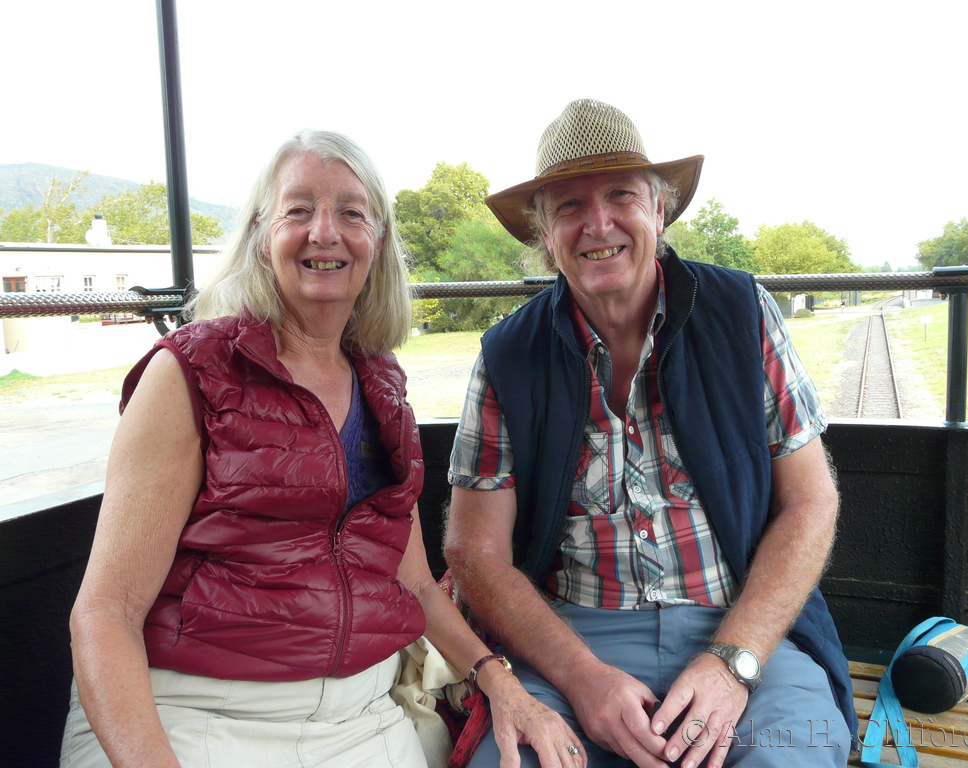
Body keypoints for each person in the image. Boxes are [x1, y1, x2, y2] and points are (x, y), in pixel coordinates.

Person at [61, 129, 581, 768]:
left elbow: (416, 584)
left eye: (352, 214)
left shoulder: (381, 384)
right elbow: (105, 613)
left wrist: (499, 681)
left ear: (378, 241)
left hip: (359, 718)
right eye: (299, 210)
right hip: (197, 712)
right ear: (262, 233)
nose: (325, 232)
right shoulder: (192, 371)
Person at [444, 100, 857, 768]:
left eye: (621, 195)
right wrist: (581, 677)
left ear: (659, 211)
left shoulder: (742, 312)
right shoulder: (507, 355)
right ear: (544, 233)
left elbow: (812, 501)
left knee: (791, 757)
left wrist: (733, 661)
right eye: (569, 206)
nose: (598, 223)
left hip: (742, 628)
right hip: (575, 640)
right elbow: (474, 551)